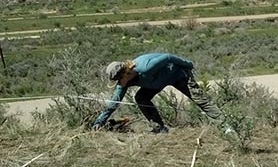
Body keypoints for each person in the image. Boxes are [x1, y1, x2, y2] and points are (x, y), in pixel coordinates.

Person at [91, 53, 226, 134]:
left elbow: (167, 57)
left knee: (201, 100)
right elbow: (114, 102)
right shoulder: (125, 82)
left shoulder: (145, 67)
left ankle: (226, 125)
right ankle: (159, 129)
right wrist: (99, 122)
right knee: (141, 97)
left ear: (126, 73)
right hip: (157, 83)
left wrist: (188, 64)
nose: (119, 84)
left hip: (177, 75)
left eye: (119, 80)